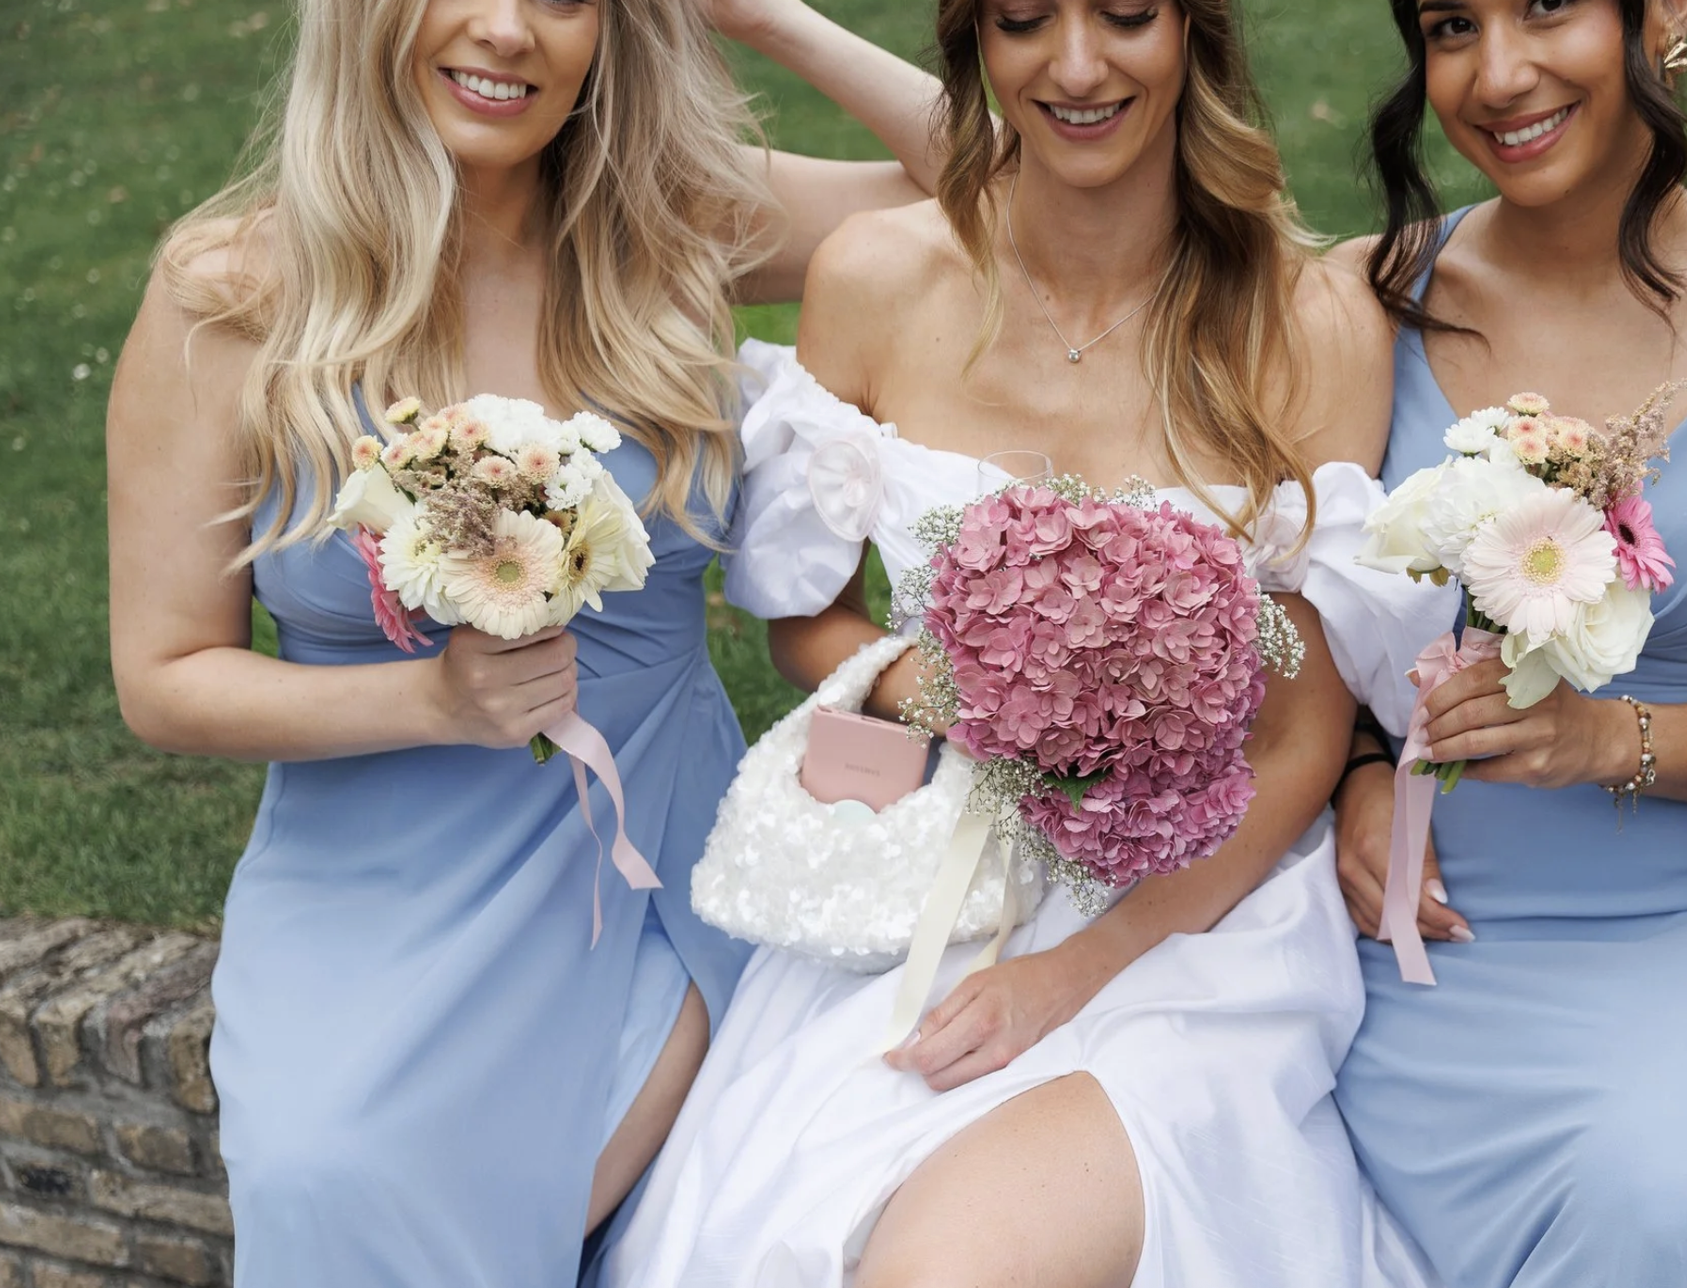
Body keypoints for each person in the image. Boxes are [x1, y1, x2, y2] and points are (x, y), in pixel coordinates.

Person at [598, 1, 1450, 1284]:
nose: (1075, 64)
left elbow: (1300, 739)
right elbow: (798, 615)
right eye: (1023, 20)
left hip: (1193, 911)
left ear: (1193, 37)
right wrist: (926, 677)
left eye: (1124, 15)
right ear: (973, 48)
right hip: (921, 870)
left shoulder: (1309, 324)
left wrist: (1073, 977)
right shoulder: (878, 279)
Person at [104, 0, 947, 1278]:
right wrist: (432, 702)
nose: (506, 30)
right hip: (375, 879)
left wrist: (763, 14)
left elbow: (1000, 182)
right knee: (340, 1175)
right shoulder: (232, 294)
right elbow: (163, 679)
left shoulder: (677, 225)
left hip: (668, 862)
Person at [1324, 1, 1687, 1284]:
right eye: (1452, 24)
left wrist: (1604, 737)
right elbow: (1293, 631)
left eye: (1544, 9)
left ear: (1664, 15)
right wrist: (1361, 763)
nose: (1497, 73)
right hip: (1401, 920)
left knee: (1659, 1192)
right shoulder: (1358, 301)